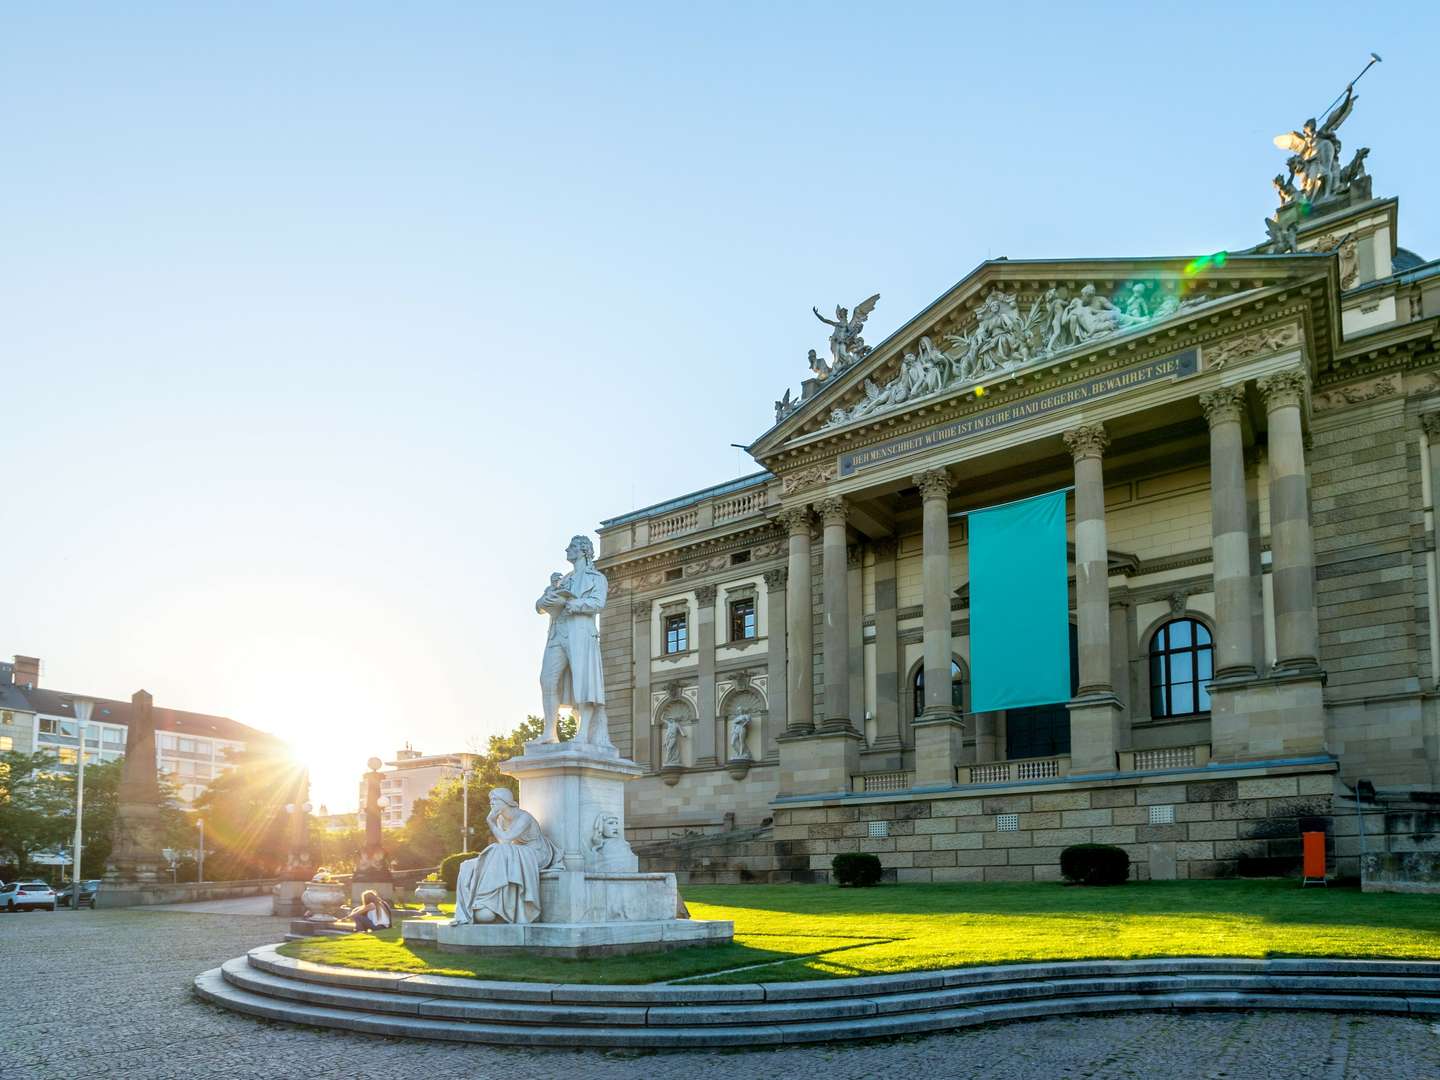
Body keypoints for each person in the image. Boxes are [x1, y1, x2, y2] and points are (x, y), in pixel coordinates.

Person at [451, 788, 561, 925]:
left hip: (537, 853)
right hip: (516, 851)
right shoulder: (501, 819)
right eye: (490, 800)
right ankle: (484, 901)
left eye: (495, 800)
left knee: (498, 849)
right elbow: (504, 844)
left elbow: (505, 840)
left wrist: (490, 821)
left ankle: (487, 901)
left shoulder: (524, 817)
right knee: (471, 864)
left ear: (506, 801)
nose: (491, 803)